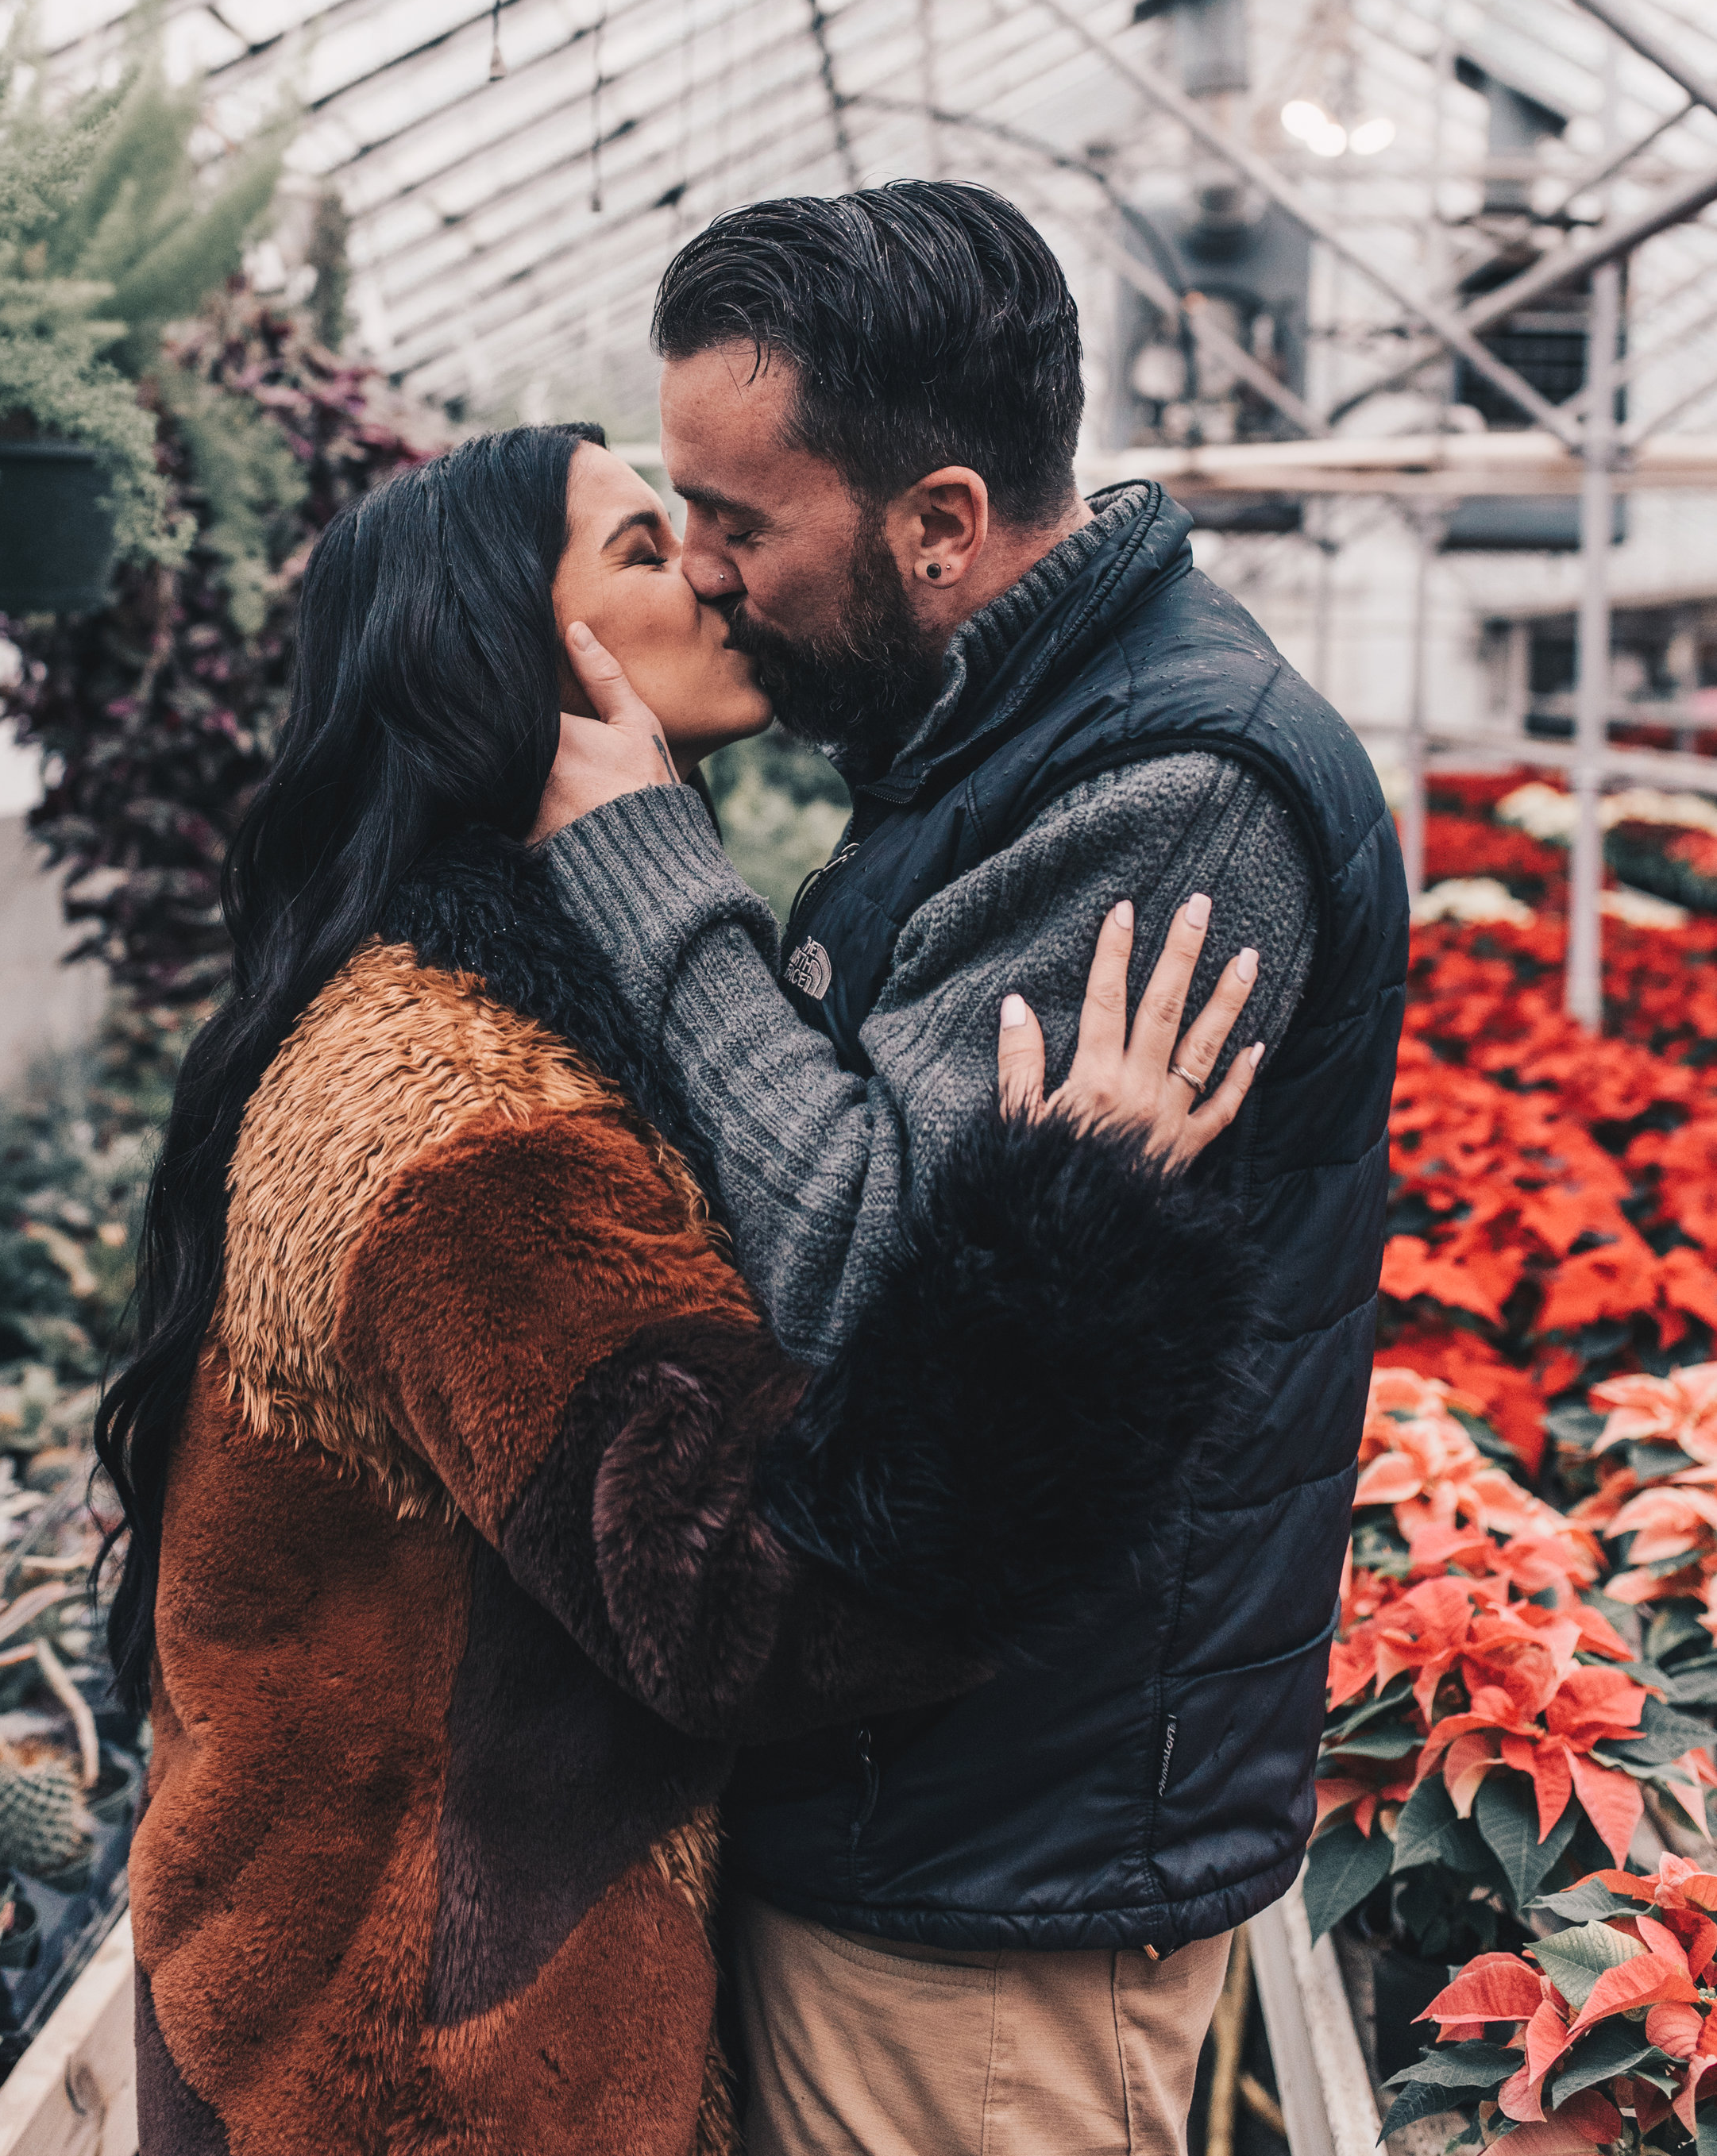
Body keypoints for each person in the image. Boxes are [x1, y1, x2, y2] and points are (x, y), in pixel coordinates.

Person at [100, 422, 1267, 2156]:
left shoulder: (490, 1007)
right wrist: (1068, 1236)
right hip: (421, 2075)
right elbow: (734, 1602)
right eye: (644, 550)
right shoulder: (462, 1106)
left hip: (396, 2014)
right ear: (500, 656)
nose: (711, 571)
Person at [533, 186, 1410, 2156]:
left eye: (742, 522)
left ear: (937, 522)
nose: (713, 574)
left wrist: (649, 868)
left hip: (1000, 1857)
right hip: (922, 1794)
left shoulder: (1171, 791)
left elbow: (860, 1265)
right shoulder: (992, 735)